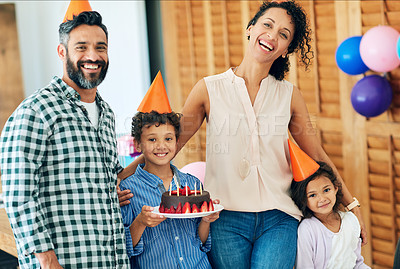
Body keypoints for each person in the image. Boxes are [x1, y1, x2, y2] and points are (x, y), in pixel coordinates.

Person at [118, 1, 367, 268]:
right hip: (224, 217)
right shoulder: (207, 89)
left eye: (284, 35)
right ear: (250, 29)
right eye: (267, 25)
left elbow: (316, 154)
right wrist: (121, 179)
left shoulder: (290, 95)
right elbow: (168, 149)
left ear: (285, 51)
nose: (272, 35)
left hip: (279, 217)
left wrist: (351, 204)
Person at [0, 10, 129, 268]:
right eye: (81, 47)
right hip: (64, 262)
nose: (93, 56)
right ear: (62, 52)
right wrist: (47, 261)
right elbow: (18, 196)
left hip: (109, 260)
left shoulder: (107, 114)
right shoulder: (36, 111)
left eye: (100, 47)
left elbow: (111, 178)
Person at [120, 72, 220, 268]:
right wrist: (140, 222)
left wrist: (207, 220)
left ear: (176, 142)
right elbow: (123, 248)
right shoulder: (128, 190)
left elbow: (199, 241)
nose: (161, 146)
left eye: (168, 139)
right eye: (152, 139)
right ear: (138, 144)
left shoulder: (192, 184)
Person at [290, 161, 370, 268]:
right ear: (303, 200)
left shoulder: (351, 221)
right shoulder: (307, 230)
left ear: (336, 188)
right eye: (313, 195)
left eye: (326, 190)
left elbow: (357, 263)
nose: (322, 199)